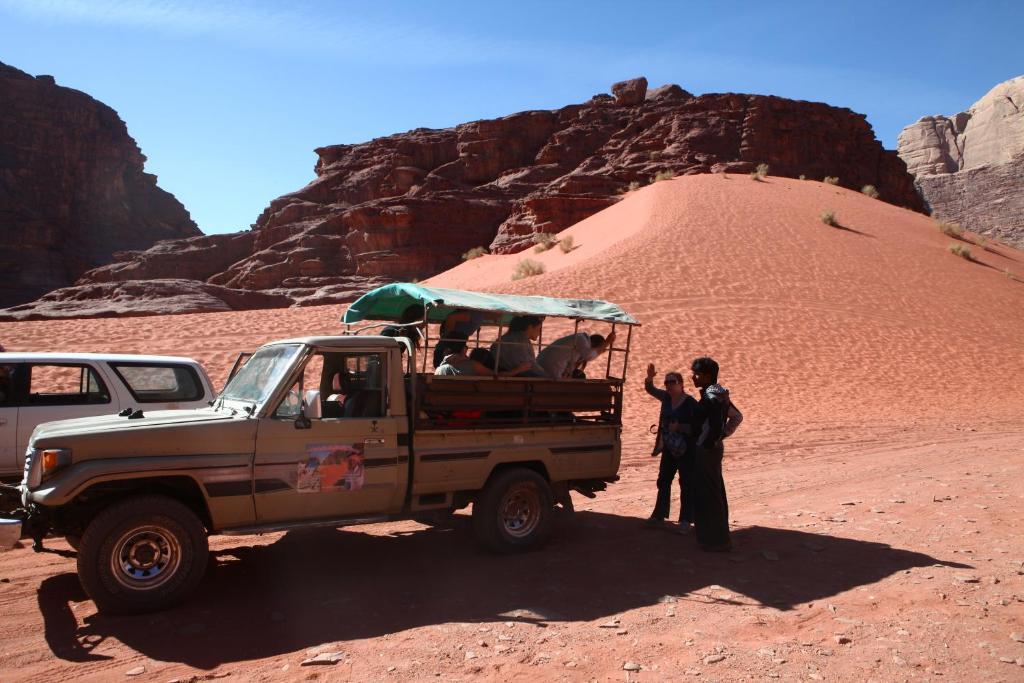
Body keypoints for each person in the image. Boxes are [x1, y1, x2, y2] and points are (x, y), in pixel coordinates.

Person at [643, 363, 698, 532]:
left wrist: (680, 427)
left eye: (672, 382)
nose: (668, 385)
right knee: (664, 480)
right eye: (666, 383)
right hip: (669, 448)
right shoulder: (666, 398)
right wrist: (650, 378)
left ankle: (686, 520)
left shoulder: (690, 403)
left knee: (686, 483)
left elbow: (698, 427)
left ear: (681, 384)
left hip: (687, 449)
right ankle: (659, 516)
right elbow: (651, 389)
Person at [689, 356, 733, 552]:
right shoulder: (720, 393)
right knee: (714, 490)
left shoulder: (711, 396)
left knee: (708, 493)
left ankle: (714, 541)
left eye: (697, 374)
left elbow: (715, 423)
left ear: (707, 376)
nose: (693, 377)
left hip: (707, 450)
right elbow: (737, 417)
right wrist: (721, 436)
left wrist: (709, 441)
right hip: (713, 448)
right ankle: (718, 538)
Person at [435, 332, 531, 376]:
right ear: (463, 349)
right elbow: (497, 376)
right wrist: (518, 369)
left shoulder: (438, 369)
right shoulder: (472, 365)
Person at [537, 330, 615, 379]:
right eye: (598, 350)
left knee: (579, 375)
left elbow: (569, 369)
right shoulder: (581, 339)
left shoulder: (579, 344)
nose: (597, 353)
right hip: (547, 371)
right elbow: (589, 355)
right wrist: (607, 342)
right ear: (594, 345)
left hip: (544, 369)